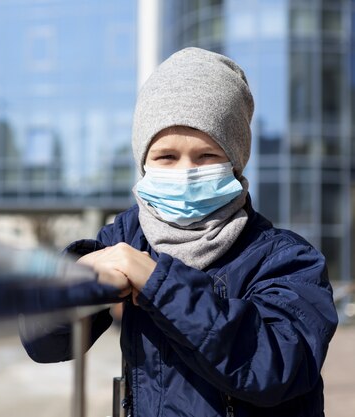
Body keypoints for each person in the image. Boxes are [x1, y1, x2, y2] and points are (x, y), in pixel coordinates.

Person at [20, 48, 338, 417]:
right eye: (166, 157)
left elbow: (276, 367)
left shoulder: (287, 259)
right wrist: (75, 283)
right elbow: (43, 342)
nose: (186, 172)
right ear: (143, 162)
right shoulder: (123, 240)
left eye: (206, 156)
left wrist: (156, 282)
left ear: (236, 161)